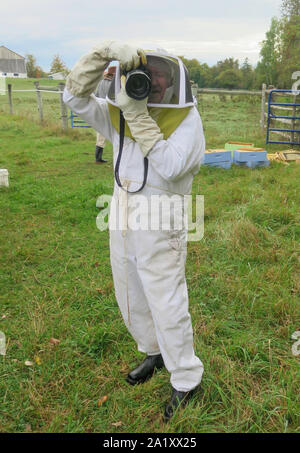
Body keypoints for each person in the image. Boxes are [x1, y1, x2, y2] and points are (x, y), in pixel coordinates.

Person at [63, 41, 205, 421]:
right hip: (121, 208)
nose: (153, 80)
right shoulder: (119, 111)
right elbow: (74, 99)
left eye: (160, 73)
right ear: (128, 77)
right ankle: (153, 351)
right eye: (146, 72)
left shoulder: (186, 119)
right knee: (129, 288)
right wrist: (99, 56)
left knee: (166, 297)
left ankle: (188, 379)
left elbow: (173, 166)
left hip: (162, 215)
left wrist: (140, 117)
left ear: (174, 79)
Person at [94, 65, 116, 163]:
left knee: (101, 134)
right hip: (110, 110)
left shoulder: (101, 83)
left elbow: (96, 95)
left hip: (100, 109)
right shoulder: (113, 84)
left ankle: (98, 157)